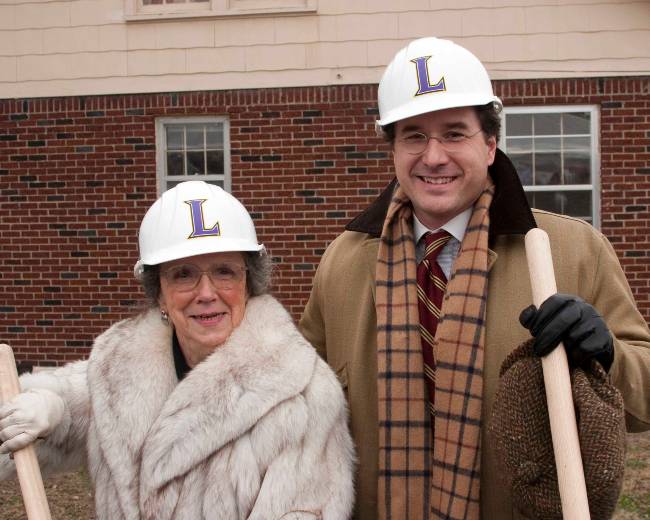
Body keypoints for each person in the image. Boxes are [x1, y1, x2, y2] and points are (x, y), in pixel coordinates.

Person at [299, 36, 650, 519]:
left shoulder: (572, 251)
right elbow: (295, 402)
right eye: (414, 135)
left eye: (454, 133)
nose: (434, 156)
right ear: (394, 149)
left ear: (490, 145)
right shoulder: (343, 262)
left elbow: (644, 399)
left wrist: (606, 353)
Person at [0, 180, 355, 520]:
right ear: (159, 293)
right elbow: (76, 399)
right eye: (183, 274)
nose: (205, 293)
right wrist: (49, 408)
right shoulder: (117, 365)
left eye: (224, 271)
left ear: (249, 282)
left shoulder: (305, 399)